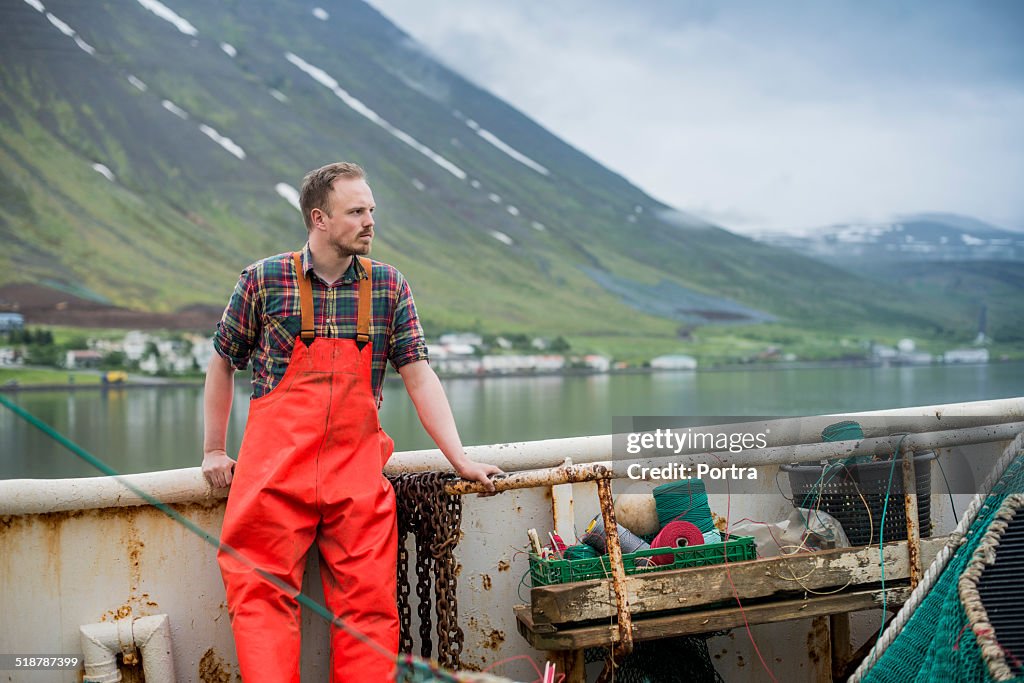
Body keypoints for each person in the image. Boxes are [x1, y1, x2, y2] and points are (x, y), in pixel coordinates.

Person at [201, 161, 502, 682]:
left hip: (356, 480)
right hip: (272, 478)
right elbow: (223, 361)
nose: (370, 221)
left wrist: (461, 459)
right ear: (319, 218)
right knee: (260, 601)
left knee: (370, 614)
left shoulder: (389, 286)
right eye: (356, 211)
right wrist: (212, 450)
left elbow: (419, 375)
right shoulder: (263, 279)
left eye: (372, 210)